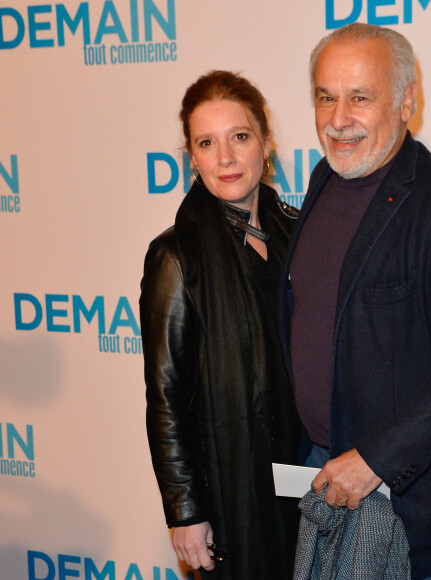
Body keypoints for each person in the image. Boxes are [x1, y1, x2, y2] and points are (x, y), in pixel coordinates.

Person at [280, 24, 431, 580]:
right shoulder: (323, 179)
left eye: (360, 97)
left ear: (407, 101)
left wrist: (375, 461)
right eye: (325, 97)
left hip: (404, 497)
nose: (339, 119)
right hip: (321, 471)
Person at [140, 70, 300, 579]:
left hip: (305, 476)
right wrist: (186, 512)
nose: (226, 157)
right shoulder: (175, 256)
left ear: (266, 142)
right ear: (191, 157)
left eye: (240, 137)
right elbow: (164, 396)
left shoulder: (299, 235)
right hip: (231, 491)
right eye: (207, 142)